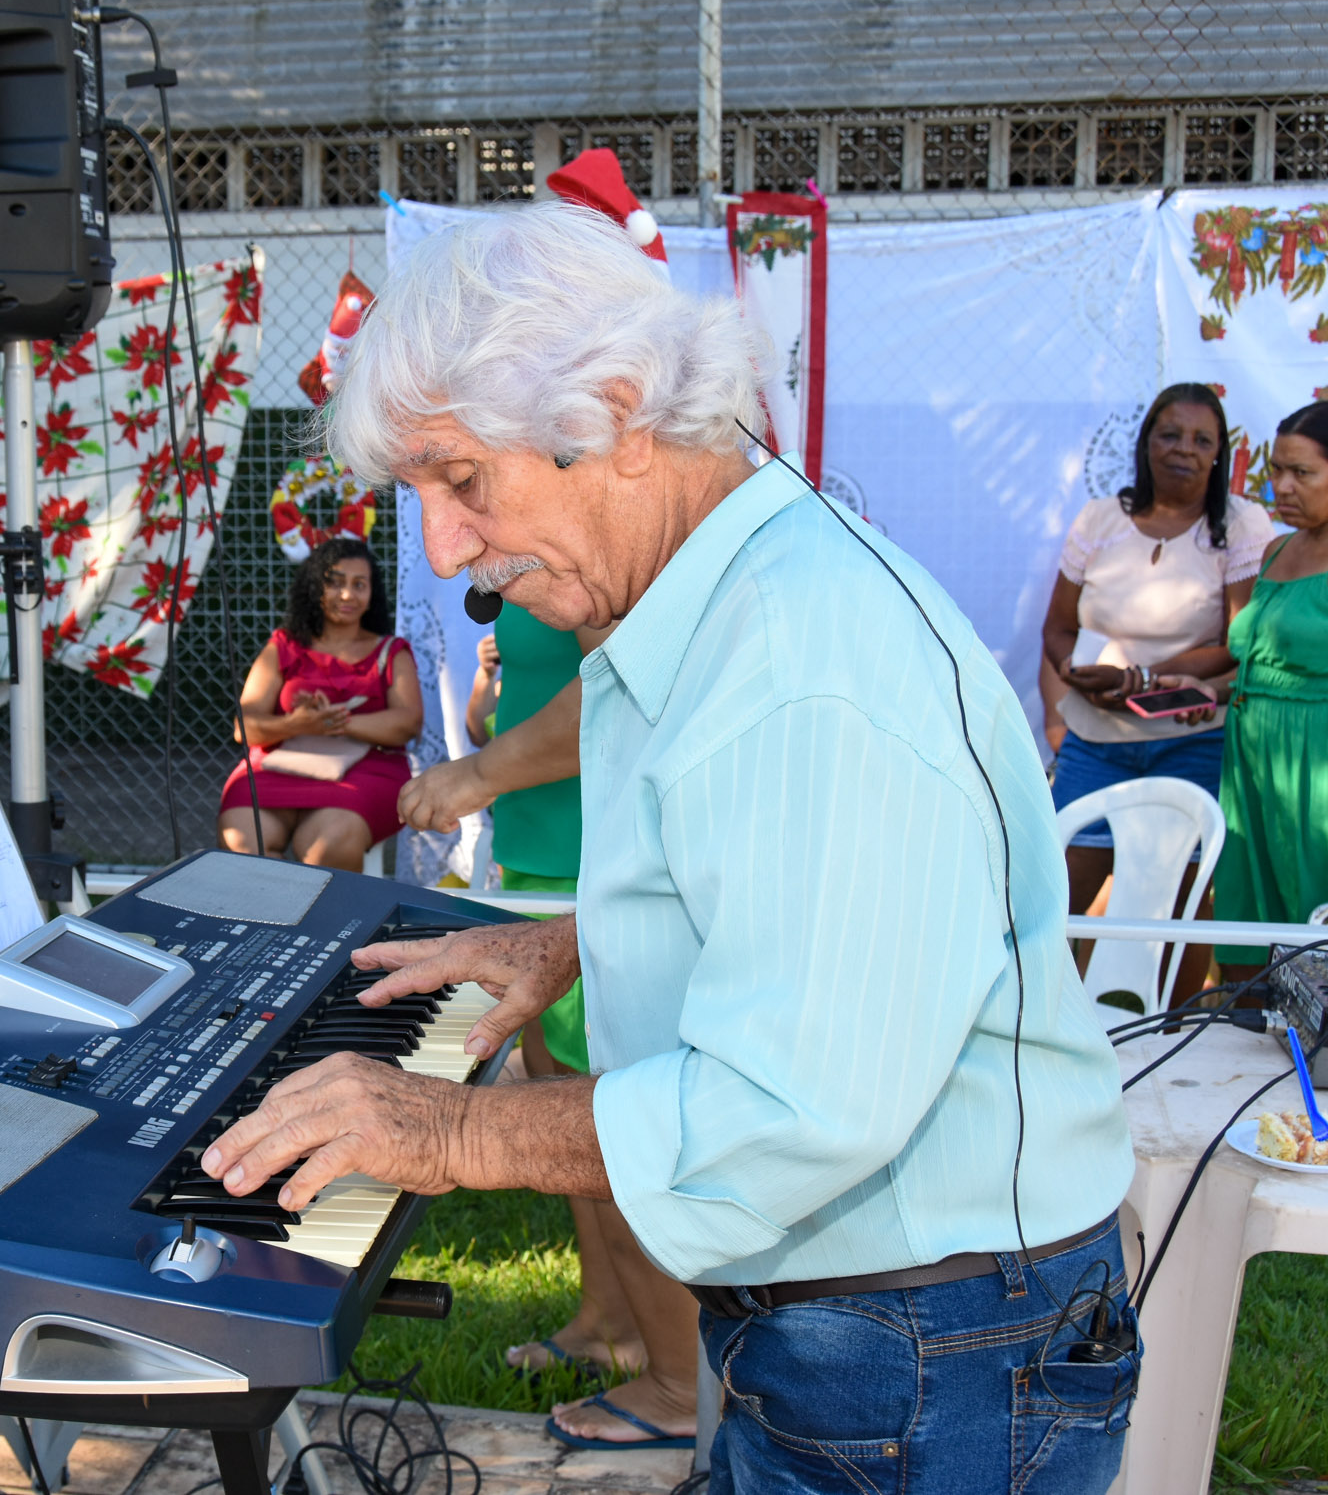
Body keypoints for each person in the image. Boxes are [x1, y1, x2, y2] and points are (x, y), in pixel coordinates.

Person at [199, 204, 1137, 1493]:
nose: (445, 548)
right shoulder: (726, 594)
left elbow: (792, 1104)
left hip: (930, 1344)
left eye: (460, 481)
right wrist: (579, 942)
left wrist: (451, 1134)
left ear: (617, 413)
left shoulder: (800, 663)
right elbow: (796, 900)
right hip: (890, 1324)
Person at [410, 606, 698, 1449]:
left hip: (593, 859)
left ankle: (683, 1384)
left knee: (613, 1120)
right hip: (544, 856)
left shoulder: (591, 565)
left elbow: (616, 692)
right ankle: (610, 1323)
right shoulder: (526, 571)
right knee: (565, 1098)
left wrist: (477, 774)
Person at [1040, 383, 1273, 1002]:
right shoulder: (1099, 519)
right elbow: (1057, 629)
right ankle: (1046, 1022)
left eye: (1202, 440)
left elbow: (1239, 641)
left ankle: (1172, 1031)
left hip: (1191, 740)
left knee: (1181, 899)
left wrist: (1142, 679)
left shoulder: (1242, 524)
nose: (1184, 450)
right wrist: (1072, 671)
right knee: (1058, 893)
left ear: (1220, 453)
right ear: (1145, 443)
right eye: (1170, 435)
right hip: (1096, 737)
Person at [1166, 403, 1328, 982]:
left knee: (1314, 916)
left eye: (1302, 473)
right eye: (1277, 470)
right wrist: (1205, 688)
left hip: (1315, 771)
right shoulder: (1276, 551)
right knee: (1249, 914)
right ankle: (1248, 1027)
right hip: (1251, 765)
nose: (1282, 487)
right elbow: (1266, 665)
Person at [216, 538, 423, 872]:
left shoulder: (391, 651)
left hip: (367, 771)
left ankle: (320, 909)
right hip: (280, 766)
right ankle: (273, 908)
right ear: (315, 587)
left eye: (359, 585)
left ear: (372, 593)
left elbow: (408, 723)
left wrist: (335, 722)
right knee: (241, 843)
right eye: (336, 583)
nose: (348, 595)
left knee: (326, 848)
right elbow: (244, 727)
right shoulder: (283, 646)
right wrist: (297, 724)